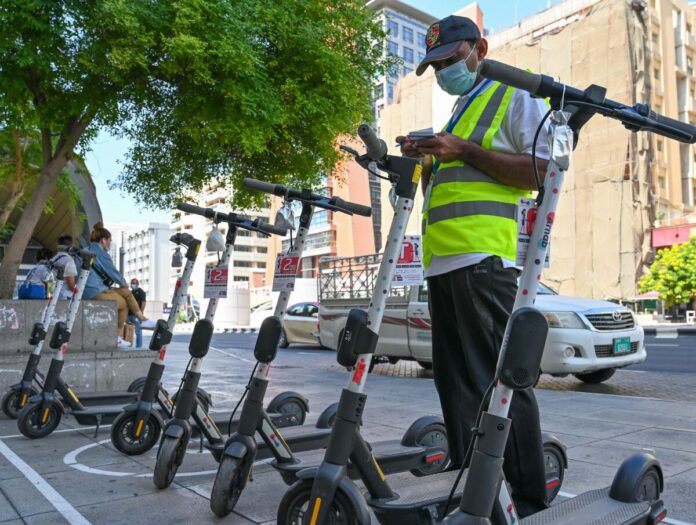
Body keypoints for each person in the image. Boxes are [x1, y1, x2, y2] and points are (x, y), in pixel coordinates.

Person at [396, 16, 550, 517]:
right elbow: (447, 189)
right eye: (435, 66)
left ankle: (526, 500)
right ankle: (477, 493)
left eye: (448, 61)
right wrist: (424, 161)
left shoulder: (515, 95)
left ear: (479, 48)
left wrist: (462, 149)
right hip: (444, 266)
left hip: (485, 261)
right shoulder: (460, 111)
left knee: (500, 385)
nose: (442, 72)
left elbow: (540, 171)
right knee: (455, 383)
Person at [83, 223, 155, 347]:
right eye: (109, 240)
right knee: (123, 304)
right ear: (103, 240)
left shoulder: (87, 248)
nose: (110, 243)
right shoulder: (100, 252)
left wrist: (124, 288)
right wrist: (123, 283)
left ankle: (142, 319)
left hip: (94, 287)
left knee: (126, 293)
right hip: (94, 290)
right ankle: (115, 337)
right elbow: (112, 272)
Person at [49, 235, 78, 300]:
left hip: (52, 296)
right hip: (64, 297)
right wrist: (80, 293)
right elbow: (71, 285)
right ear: (71, 246)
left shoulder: (52, 259)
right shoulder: (68, 260)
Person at [127, 278, 147, 349]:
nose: (132, 284)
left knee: (138, 331)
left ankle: (138, 347)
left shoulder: (141, 292)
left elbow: (143, 303)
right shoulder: (131, 292)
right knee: (127, 329)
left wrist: (140, 314)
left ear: (137, 284)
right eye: (132, 283)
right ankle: (127, 344)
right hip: (128, 314)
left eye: (134, 283)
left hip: (136, 315)